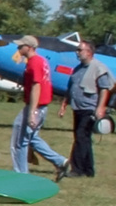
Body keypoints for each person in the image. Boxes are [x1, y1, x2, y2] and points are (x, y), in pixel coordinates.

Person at [9, 35, 68, 179]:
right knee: (32, 138)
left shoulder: (34, 62)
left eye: (21, 46)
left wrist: (31, 112)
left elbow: (37, 86)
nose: (18, 48)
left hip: (35, 106)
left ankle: (21, 176)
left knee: (19, 141)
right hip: (42, 106)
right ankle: (60, 161)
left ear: (29, 47)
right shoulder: (42, 61)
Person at [63, 39, 114, 178]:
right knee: (83, 138)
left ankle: (77, 169)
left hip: (90, 108)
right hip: (77, 108)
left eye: (80, 50)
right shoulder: (78, 68)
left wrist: (101, 107)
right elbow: (71, 87)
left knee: (81, 137)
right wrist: (64, 104)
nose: (77, 52)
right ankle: (89, 170)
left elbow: (105, 89)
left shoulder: (99, 68)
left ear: (89, 52)